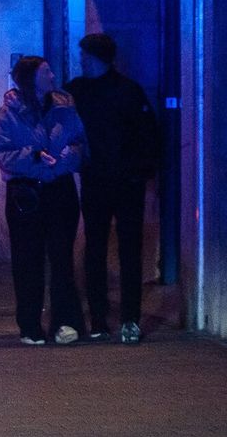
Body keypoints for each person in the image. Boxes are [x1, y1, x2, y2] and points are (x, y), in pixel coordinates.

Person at [65, 33, 160, 345]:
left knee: (128, 250)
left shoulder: (127, 92)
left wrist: (139, 173)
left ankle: (130, 317)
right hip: (95, 180)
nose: (80, 60)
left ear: (94, 57)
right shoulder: (77, 90)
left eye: (83, 55)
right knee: (95, 249)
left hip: (124, 183)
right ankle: (99, 317)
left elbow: (149, 136)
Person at [0, 55, 88, 346]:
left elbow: (82, 140)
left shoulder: (65, 106)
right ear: (31, 77)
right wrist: (32, 157)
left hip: (60, 188)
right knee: (28, 260)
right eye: (47, 72)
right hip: (26, 194)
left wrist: (75, 154)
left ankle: (64, 321)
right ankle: (30, 324)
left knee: (62, 258)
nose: (53, 76)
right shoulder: (9, 112)